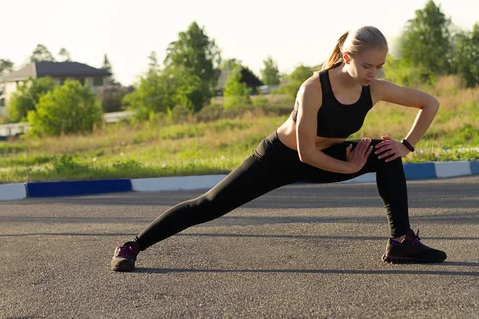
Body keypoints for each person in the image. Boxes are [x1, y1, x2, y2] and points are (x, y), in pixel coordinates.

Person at [111, 25, 447, 272]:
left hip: (325, 155)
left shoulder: (374, 88)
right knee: (209, 205)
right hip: (280, 157)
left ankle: (401, 241)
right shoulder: (313, 88)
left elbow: (428, 103)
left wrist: (406, 145)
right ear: (348, 58)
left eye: (380, 66)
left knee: (385, 153)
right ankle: (133, 245)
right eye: (367, 66)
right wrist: (348, 168)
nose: (373, 74)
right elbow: (305, 155)